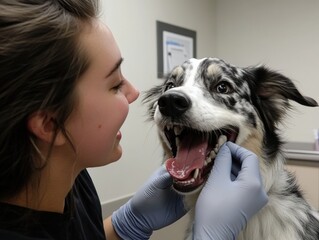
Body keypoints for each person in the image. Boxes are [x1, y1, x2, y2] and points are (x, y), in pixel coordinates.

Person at [0, 0, 268, 239]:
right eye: (115, 84)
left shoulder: (71, 180)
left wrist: (127, 224)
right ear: (49, 124)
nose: (135, 93)